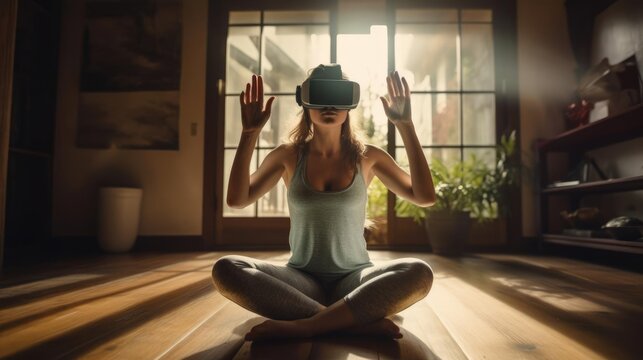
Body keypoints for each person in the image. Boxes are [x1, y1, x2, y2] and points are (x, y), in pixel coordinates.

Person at [212, 64, 436, 341]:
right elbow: (237, 199)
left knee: (419, 272)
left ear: (350, 103)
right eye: (320, 94)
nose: (329, 104)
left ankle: (307, 325)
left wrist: (406, 126)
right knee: (226, 268)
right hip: (301, 280)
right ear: (304, 100)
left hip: (355, 279)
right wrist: (249, 133)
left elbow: (425, 197)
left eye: (338, 95)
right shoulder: (287, 156)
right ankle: (350, 322)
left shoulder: (369, 157)